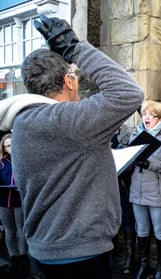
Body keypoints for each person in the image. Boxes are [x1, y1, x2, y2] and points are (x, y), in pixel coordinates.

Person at [0, 16, 144, 278]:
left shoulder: (21, 124)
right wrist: (74, 49)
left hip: (43, 251)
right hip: (81, 255)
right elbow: (128, 93)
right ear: (69, 81)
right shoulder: (69, 121)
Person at [129, 101, 161, 279]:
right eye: (144, 113)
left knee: (160, 230)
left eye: (151, 115)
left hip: (158, 190)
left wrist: (149, 163)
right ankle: (144, 265)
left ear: (160, 118)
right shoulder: (135, 134)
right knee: (141, 230)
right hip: (137, 189)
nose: (146, 117)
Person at [111, 125, 137, 276]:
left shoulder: (129, 134)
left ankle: (130, 257)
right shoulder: (100, 131)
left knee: (127, 219)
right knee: (109, 218)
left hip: (123, 184)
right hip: (106, 183)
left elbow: (133, 160)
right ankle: (111, 250)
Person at [0, 133, 28, 274]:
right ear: (4, 148)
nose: (12, 147)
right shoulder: (1, 163)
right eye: (8, 145)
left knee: (21, 229)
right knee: (9, 230)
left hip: (19, 200)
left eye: (13, 144)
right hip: (4, 201)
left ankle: (23, 257)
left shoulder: (23, 160)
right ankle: (13, 258)